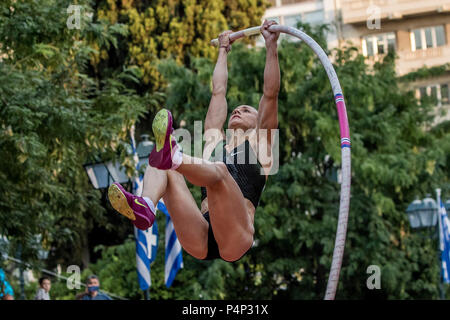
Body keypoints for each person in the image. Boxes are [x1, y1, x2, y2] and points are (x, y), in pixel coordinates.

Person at [108, 20, 280, 262]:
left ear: (258, 119)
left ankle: (173, 156)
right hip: (200, 235)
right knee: (162, 163)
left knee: (218, 171)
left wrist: (271, 46)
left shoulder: (262, 143)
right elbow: (218, 90)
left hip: (235, 237)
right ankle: (147, 205)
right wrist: (223, 50)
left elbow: (270, 93)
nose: (237, 111)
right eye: (236, 109)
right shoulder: (214, 141)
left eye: (246, 110)